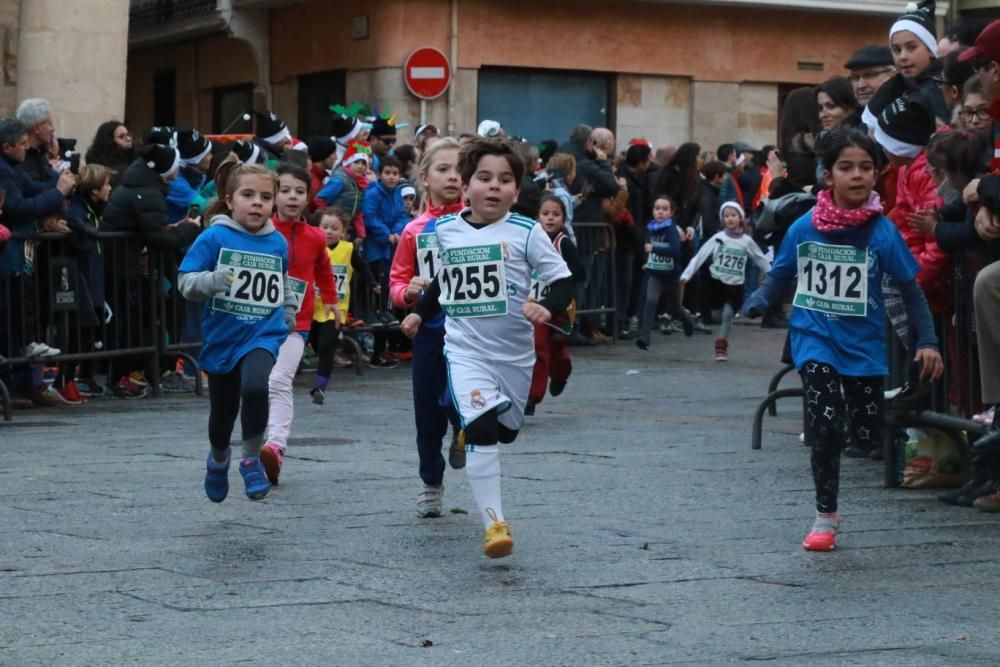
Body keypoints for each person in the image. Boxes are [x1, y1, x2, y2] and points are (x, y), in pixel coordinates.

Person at [744, 129, 943, 551]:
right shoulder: (804, 226)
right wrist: (761, 299)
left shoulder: (882, 233)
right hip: (815, 336)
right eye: (846, 167)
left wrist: (928, 340)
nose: (858, 176)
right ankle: (824, 516)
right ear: (827, 175)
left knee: (866, 432)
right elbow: (780, 274)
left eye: (866, 167)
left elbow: (911, 291)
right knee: (827, 424)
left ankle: (874, 418)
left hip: (864, 346)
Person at [400, 138, 574, 558]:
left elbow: (565, 280)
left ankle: (473, 431)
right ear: (466, 185)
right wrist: (420, 313)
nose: (494, 187)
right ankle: (495, 524)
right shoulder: (445, 230)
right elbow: (444, 280)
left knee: (506, 433)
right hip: (464, 351)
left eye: (505, 180)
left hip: (513, 355)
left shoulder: (527, 232)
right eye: (484, 178)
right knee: (480, 430)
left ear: (516, 190)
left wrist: (544, 305)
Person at [178, 164, 297, 502]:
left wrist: (287, 310)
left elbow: (283, 280)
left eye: (265, 197)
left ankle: (250, 460)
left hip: (263, 333)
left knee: (257, 385)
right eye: (248, 196)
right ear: (230, 201)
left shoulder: (276, 242)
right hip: (223, 338)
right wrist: (212, 281)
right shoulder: (215, 236)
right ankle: (218, 459)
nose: (257, 203)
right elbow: (185, 281)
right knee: (222, 414)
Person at [388, 137, 466, 518]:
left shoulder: (480, 223)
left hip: (472, 330)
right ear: (424, 177)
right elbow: (397, 283)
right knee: (426, 411)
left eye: (460, 171)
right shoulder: (413, 231)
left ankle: (463, 428)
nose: (453, 177)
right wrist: (408, 293)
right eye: (444, 169)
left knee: (459, 398)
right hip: (429, 330)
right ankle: (430, 481)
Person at [259, 164, 340, 485]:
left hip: (297, 322)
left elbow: (323, 267)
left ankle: (275, 446)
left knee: (279, 380)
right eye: (286, 190)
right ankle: (254, 445)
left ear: (309, 197)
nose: (292, 198)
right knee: (255, 384)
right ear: (274, 194)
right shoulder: (261, 230)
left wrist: (331, 301)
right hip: (257, 320)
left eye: (300, 192)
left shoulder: (316, 236)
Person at [101, 143, 202, 398]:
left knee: (146, 318)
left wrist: (173, 227)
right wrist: (188, 229)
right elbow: (158, 238)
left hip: (130, 265)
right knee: (134, 323)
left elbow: (152, 229)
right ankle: (129, 374)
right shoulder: (147, 191)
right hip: (126, 267)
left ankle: (146, 371)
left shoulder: (142, 185)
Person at [680, 201, 770, 361]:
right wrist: (686, 274)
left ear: (740, 218)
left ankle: (721, 346)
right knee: (714, 315)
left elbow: (759, 258)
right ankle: (688, 317)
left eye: (733, 215)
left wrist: (773, 274)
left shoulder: (746, 241)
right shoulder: (717, 238)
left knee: (728, 314)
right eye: (726, 216)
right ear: (722, 219)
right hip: (715, 283)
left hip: (735, 285)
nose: (730, 219)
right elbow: (700, 256)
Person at [309, 207, 377, 404]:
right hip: (312, 306)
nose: (329, 231)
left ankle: (320, 387)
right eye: (325, 227)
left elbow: (362, 266)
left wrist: (373, 283)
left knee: (325, 346)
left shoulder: (348, 249)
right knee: (315, 343)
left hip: (336, 309)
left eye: (334, 228)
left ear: (344, 231)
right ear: (317, 228)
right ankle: (334, 343)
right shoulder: (313, 247)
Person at [58, 163, 114, 402]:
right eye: (106, 184)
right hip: (79, 279)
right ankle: (64, 380)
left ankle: (73, 378)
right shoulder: (79, 212)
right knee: (74, 334)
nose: (110, 188)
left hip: (92, 280)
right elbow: (80, 243)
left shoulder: (92, 210)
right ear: (94, 191)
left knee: (84, 335)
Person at [526, 194, 586, 415]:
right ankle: (532, 396)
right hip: (536, 303)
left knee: (557, 348)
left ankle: (561, 374)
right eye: (545, 214)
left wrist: (558, 274)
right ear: (537, 217)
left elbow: (580, 272)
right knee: (538, 346)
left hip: (560, 306)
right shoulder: (530, 240)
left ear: (563, 218)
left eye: (556, 214)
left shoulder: (564, 243)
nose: (550, 218)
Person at [362, 155, 409, 368]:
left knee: (389, 292)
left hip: (391, 247)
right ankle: (377, 351)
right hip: (376, 248)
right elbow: (370, 217)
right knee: (378, 293)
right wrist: (386, 234)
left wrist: (398, 232)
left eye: (395, 173)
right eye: (388, 173)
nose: (391, 177)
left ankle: (386, 349)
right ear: (381, 174)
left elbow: (401, 215)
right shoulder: (372, 193)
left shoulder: (397, 194)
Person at [635, 195, 693, 350]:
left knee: (675, 308)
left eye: (665, 209)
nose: (660, 212)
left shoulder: (671, 229)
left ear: (671, 213)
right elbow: (648, 247)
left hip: (670, 275)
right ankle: (645, 337)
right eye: (657, 208)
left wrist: (655, 249)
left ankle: (685, 318)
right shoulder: (651, 228)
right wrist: (648, 262)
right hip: (655, 273)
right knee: (650, 301)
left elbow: (675, 251)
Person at [315, 140, 372, 244]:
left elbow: (357, 211)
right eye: (356, 162)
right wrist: (331, 216)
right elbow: (319, 199)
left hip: (344, 230)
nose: (360, 166)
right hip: (332, 229)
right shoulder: (340, 180)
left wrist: (361, 233)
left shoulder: (360, 184)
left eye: (364, 163)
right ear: (348, 163)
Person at [844, 45, 896, 111]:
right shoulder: (852, 120)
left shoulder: (910, 112)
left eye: (869, 75)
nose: (861, 86)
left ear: (893, 74)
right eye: (855, 78)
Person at [84, 120, 134, 185]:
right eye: (121, 137)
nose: (128, 139)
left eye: (128, 135)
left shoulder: (135, 158)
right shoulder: (100, 168)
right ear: (109, 141)